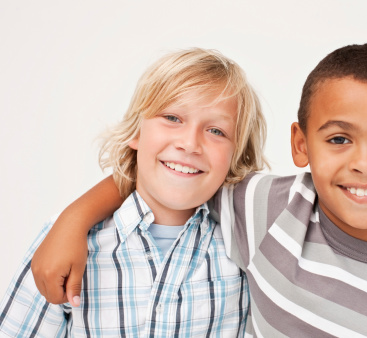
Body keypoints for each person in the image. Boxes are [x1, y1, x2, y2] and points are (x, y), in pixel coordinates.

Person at [28, 45, 367, 337]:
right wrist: (74, 219)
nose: (365, 163)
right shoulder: (270, 211)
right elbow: (167, 178)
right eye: (340, 139)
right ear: (300, 145)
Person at [0, 48, 269, 337]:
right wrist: (72, 221)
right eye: (172, 118)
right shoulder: (70, 242)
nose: (190, 143)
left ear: (236, 157)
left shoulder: (247, 246)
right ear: (136, 133)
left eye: (216, 131)